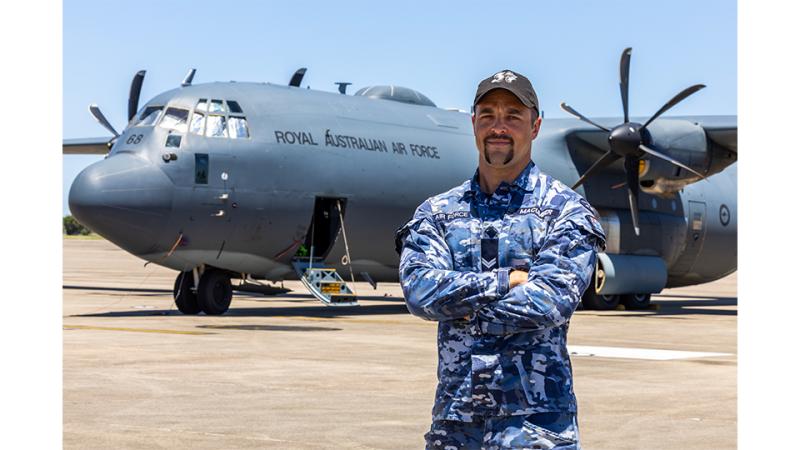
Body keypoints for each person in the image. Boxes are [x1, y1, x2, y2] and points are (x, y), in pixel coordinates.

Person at [395, 70, 606, 449]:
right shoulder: (438, 213)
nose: (499, 126)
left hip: (535, 428)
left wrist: (456, 304)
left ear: (535, 126)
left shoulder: (565, 212)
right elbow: (420, 293)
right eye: (488, 114)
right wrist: (506, 281)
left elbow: (549, 301)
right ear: (473, 123)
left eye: (513, 116)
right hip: (456, 427)